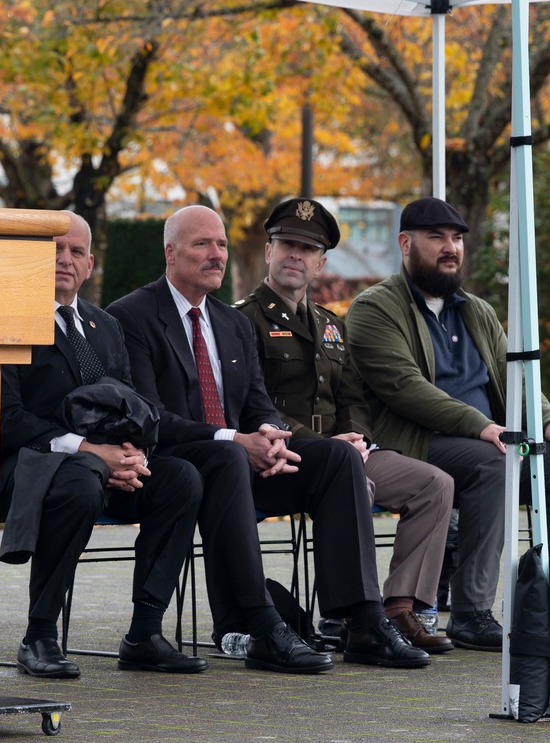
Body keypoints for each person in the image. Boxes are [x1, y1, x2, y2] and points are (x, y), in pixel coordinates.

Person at [107, 205, 430, 670]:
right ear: (170, 252)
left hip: (242, 459)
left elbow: (259, 403)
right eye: (202, 244)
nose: (216, 254)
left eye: (221, 244)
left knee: (336, 460)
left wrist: (272, 438)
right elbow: (150, 417)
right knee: (229, 459)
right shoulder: (132, 314)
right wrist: (235, 440)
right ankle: (262, 625)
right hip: (177, 465)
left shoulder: (231, 323)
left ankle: (362, 622)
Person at [344, 197, 550, 650]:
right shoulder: (374, 308)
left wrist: (548, 420)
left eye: (456, 239)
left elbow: (516, 378)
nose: (450, 248)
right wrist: (480, 425)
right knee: (497, 463)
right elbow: (404, 387)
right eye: (437, 238)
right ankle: (470, 613)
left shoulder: (477, 310)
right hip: (417, 443)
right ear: (405, 243)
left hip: (488, 441)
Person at [233, 197, 455, 653]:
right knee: (354, 483)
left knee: (434, 484)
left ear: (322, 261)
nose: (296, 255)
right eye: (287, 245)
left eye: (308, 249)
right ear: (270, 251)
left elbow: (353, 396)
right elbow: (250, 406)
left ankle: (400, 608)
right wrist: (330, 444)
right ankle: (353, 617)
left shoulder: (331, 325)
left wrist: (359, 439)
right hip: (286, 457)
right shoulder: (242, 320)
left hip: (349, 453)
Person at [0, 212, 207, 678]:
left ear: (90, 264)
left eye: (75, 252)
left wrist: (132, 453)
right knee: (78, 481)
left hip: (105, 467)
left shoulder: (104, 325)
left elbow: (131, 404)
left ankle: (144, 634)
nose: (64, 259)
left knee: (181, 479)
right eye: (54, 248)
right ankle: (39, 636)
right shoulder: (9, 318)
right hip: (30, 467)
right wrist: (87, 451)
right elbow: (6, 417)